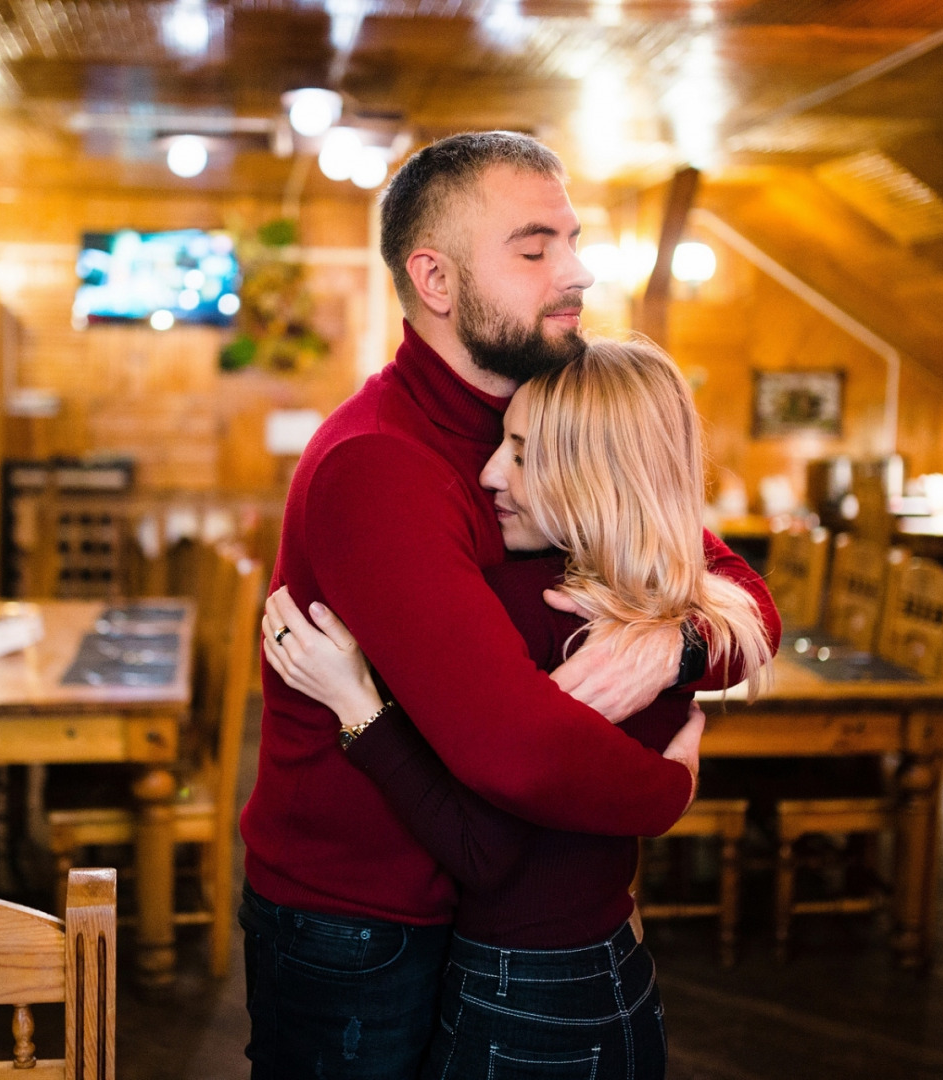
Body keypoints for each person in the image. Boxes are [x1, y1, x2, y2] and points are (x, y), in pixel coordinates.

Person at [237, 131, 778, 1079]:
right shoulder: (379, 464)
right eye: (534, 250)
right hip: (366, 916)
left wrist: (678, 648)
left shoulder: (555, 413)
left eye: (570, 240)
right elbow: (521, 757)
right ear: (435, 280)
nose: (574, 272)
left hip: (507, 912)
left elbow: (741, 598)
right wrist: (669, 790)